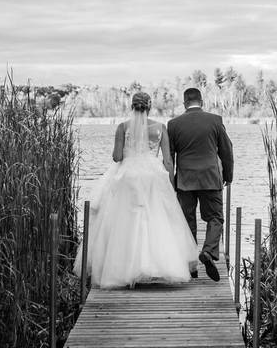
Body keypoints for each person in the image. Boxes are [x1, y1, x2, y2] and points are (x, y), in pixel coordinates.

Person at [74, 91, 198, 288]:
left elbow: (116, 157)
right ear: (149, 107)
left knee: (126, 219)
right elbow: (167, 160)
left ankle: (124, 269)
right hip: (153, 176)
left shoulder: (123, 127)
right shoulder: (160, 128)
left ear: (132, 107)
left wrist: (127, 151)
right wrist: (171, 186)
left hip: (129, 176)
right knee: (155, 217)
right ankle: (159, 265)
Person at [167, 87, 234, 281]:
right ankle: (209, 251)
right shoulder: (215, 120)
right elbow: (226, 151)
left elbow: (169, 157)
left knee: (187, 222)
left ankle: (191, 266)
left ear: (184, 102)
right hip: (210, 178)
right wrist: (228, 175)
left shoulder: (173, 124)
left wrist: (171, 182)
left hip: (185, 180)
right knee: (215, 218)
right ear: (201, 101)